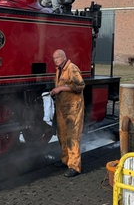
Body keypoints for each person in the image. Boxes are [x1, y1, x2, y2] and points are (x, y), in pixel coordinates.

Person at [49, 49, 85, 177]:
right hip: (62, 107)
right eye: (54, 58)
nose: (56, 60)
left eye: (58, 57)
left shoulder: (72, 68)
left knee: (72, 136)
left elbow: (80, 86)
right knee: (62, 135)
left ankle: (74, 166)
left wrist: (60, 88)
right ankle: (66, 160)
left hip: (73, 108)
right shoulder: (59, 70)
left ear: (64, 57)